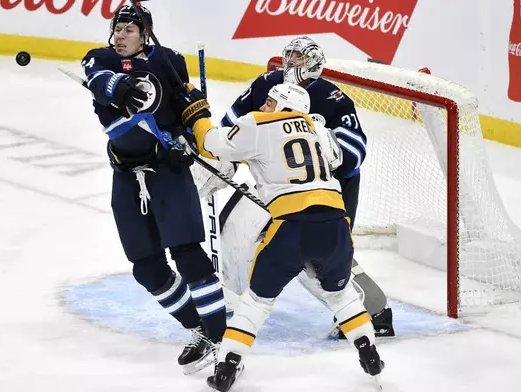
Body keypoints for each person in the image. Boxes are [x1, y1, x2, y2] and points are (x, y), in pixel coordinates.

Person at [174, 83, 385, 392]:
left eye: (271, 101)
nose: (265, 105)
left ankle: (227, 368)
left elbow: (210, 143)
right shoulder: (319, 126)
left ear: (284, 106)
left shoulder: (257, 124)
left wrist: (197, 112)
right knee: (340, 296)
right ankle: (369, 354)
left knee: (256, 302)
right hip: (336, 223)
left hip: (290, 227)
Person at [195, 36, 394, 338]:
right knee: (233, 225)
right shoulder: (268, 84)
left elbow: (355, 152)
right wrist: (222, 161)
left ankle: (374, 311)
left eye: (299, 57)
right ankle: (230, 300)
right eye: (288, 55)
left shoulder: (331, 97)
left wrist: (324, 149)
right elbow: (233, 128)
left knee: (317, 256)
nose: (290, 62)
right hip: (279, 188)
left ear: (313, 62)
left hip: (329, 190)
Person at [80, 4, 226, 374]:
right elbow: (99, 82)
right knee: (145, 268)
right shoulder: (100, 59)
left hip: (167, 171)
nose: (120, 35)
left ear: (146, 33)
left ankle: (222, 341)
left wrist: (195, 138)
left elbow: (186, 102)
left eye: (129, 29)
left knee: (189, 257)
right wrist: (120, 87)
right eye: (117, 29)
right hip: (127, 177)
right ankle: (198, 329)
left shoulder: (170, 61)